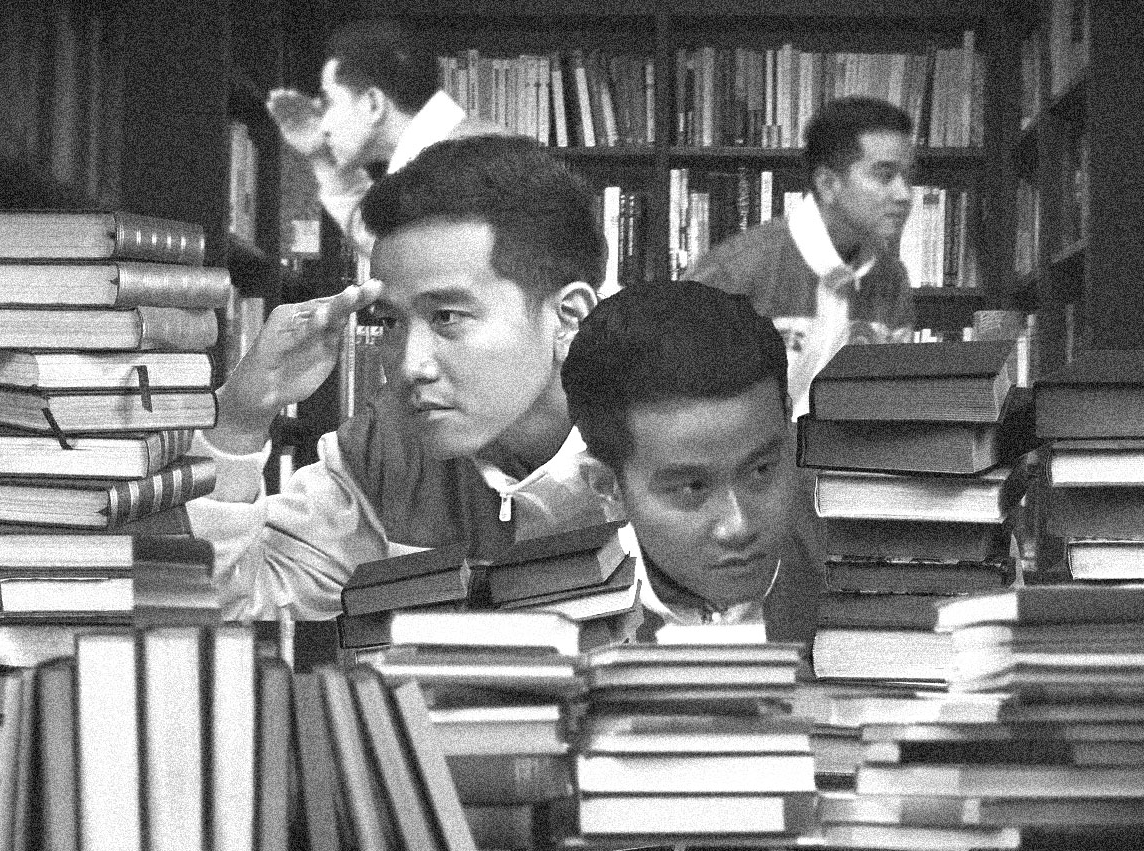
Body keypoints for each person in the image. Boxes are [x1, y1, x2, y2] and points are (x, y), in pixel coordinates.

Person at [187, 135, 611, 620]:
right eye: (390, 321)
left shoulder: (663, 436)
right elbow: (221, 607)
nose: (410, 366)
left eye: (447, 316)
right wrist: (239, 420)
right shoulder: (383, 452)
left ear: (569, 318)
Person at [560, 281, 822, 645]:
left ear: (788, 424)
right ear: (607, 487)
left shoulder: (868, 551)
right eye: (691, 488)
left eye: (761, 470)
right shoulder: (551, 612)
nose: (738, 527)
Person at [685, 96, 916, 419]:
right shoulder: (736, 271)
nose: (904, 194)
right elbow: (682, 405)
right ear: (828, 184)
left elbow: (891, 401)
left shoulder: (891, 277)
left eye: (908, 176)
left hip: (851, 450)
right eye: (885, 175)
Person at [267, 18, 504, 252]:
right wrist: (321, 157)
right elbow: (386, 244)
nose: (324, 124)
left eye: (329, 102)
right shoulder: (450, 155)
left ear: (373, 104)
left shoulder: (467, 169)